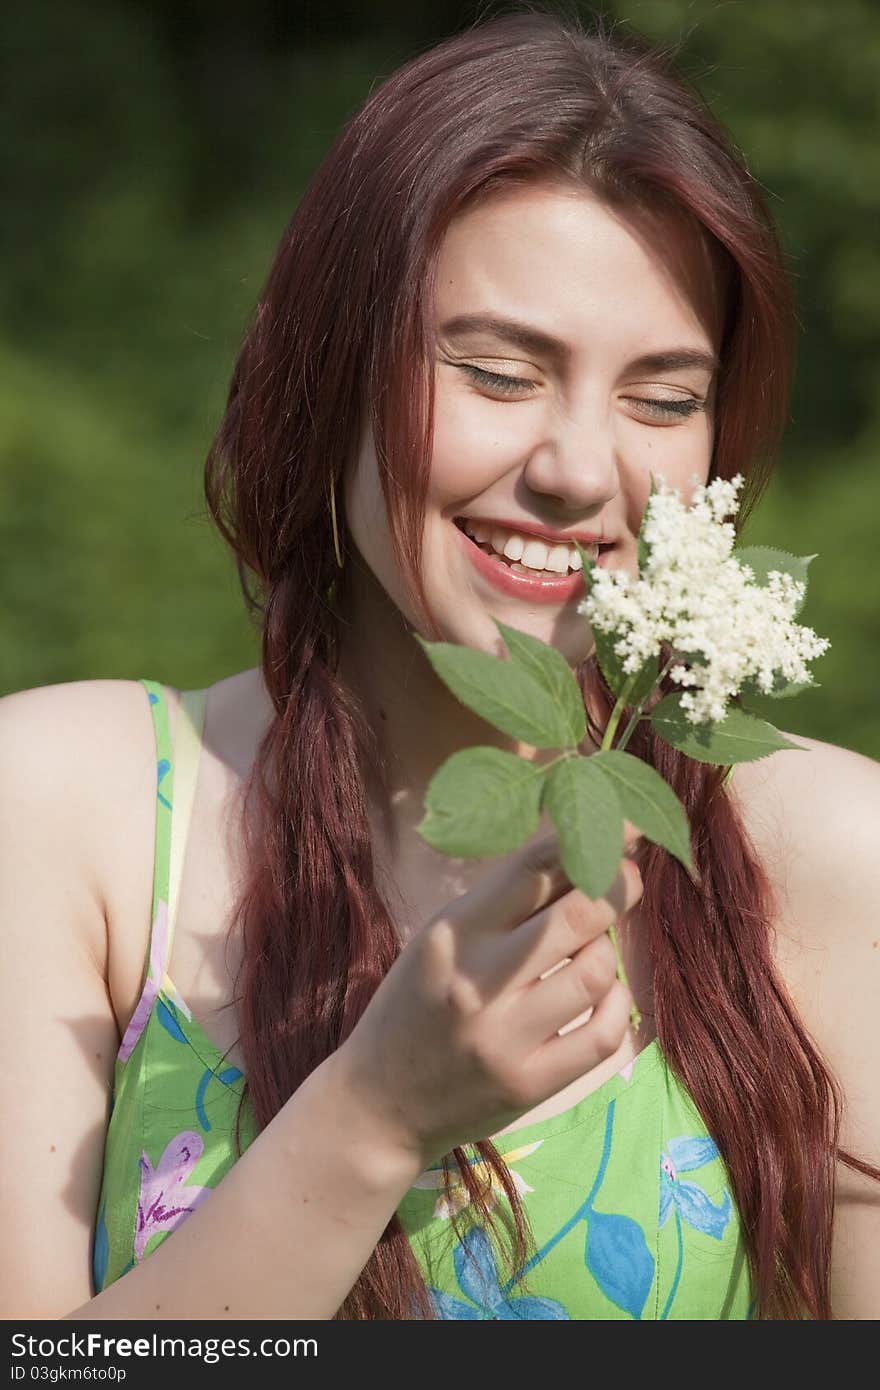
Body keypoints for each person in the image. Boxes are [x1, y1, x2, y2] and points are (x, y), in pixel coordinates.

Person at [2, 8, 878, 1323]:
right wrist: (371, 1116)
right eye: (495, 368)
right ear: (332, 368)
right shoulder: (66, 808)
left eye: (661, 398)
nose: (581, 469)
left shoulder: (819, 856)